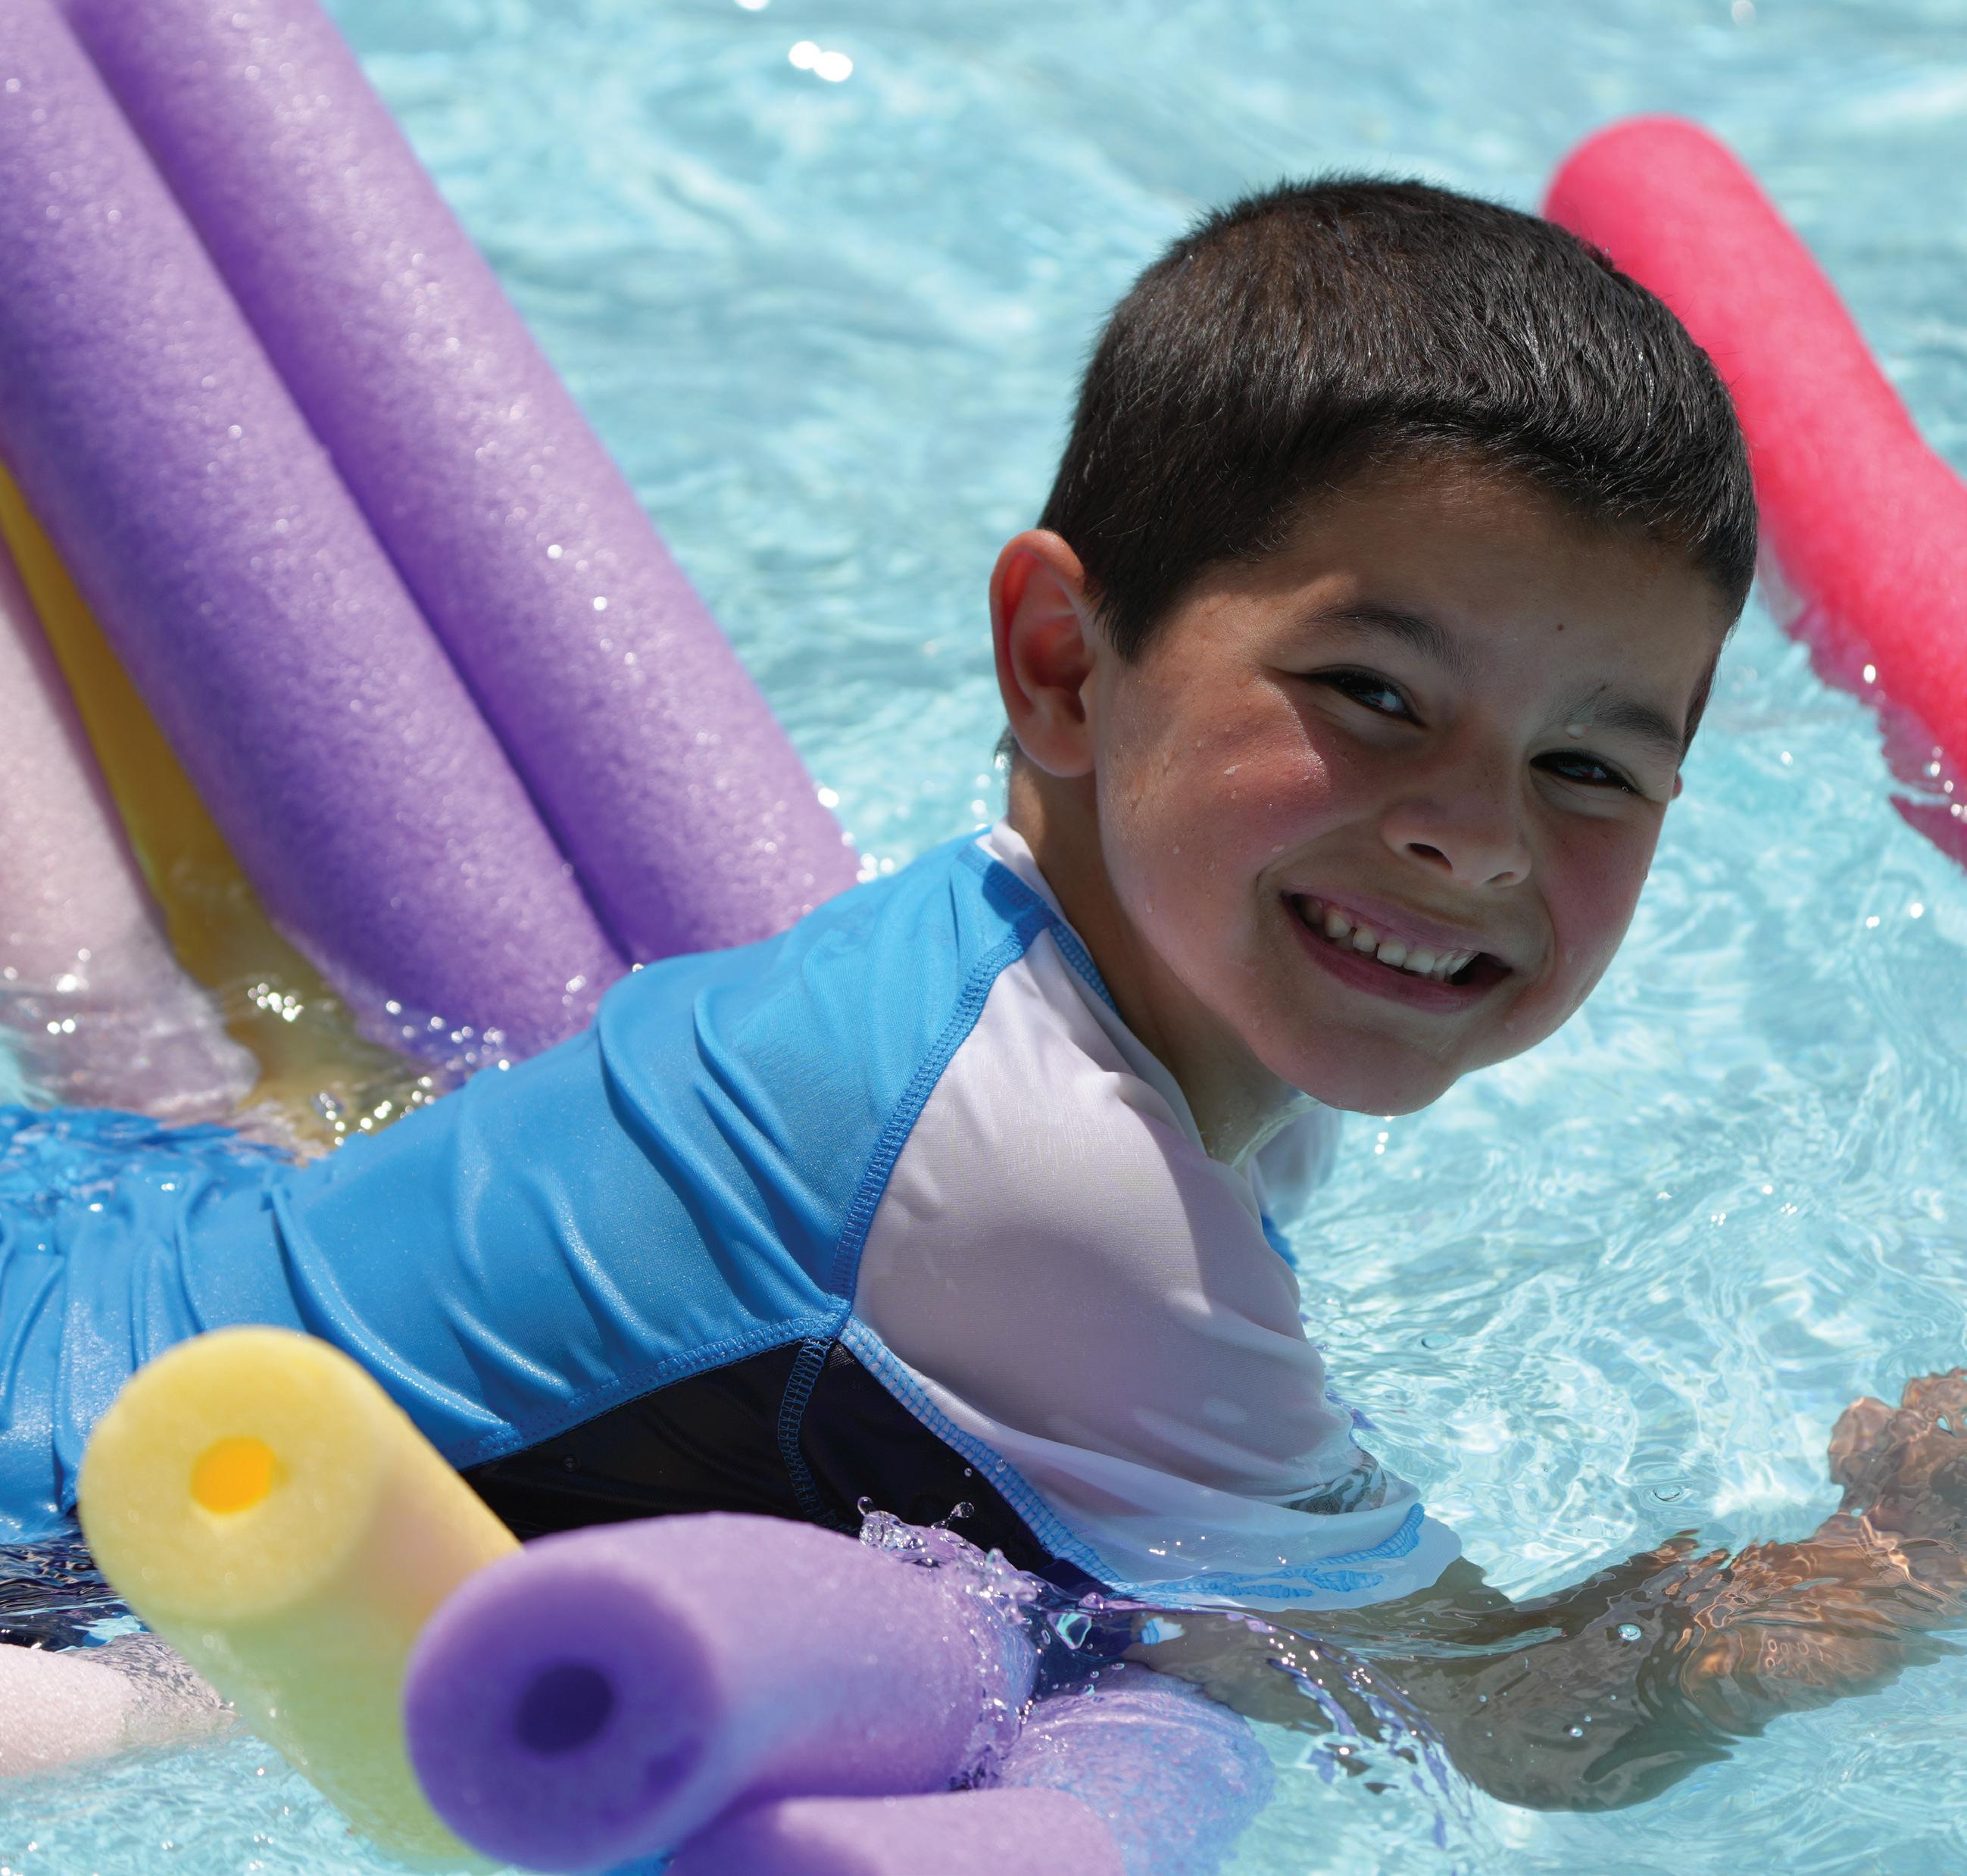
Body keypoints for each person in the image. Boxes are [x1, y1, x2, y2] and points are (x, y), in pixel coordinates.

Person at [2, 176, 1961, 1809]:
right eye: (1374, 694)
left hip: (118, 1251)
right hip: (69, 1514)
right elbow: (1515, 1716)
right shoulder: (1050, 1184)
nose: (1476, 836)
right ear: (1061, 665)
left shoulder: (1088, 978)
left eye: (1590, 765)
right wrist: (1901, 1565)